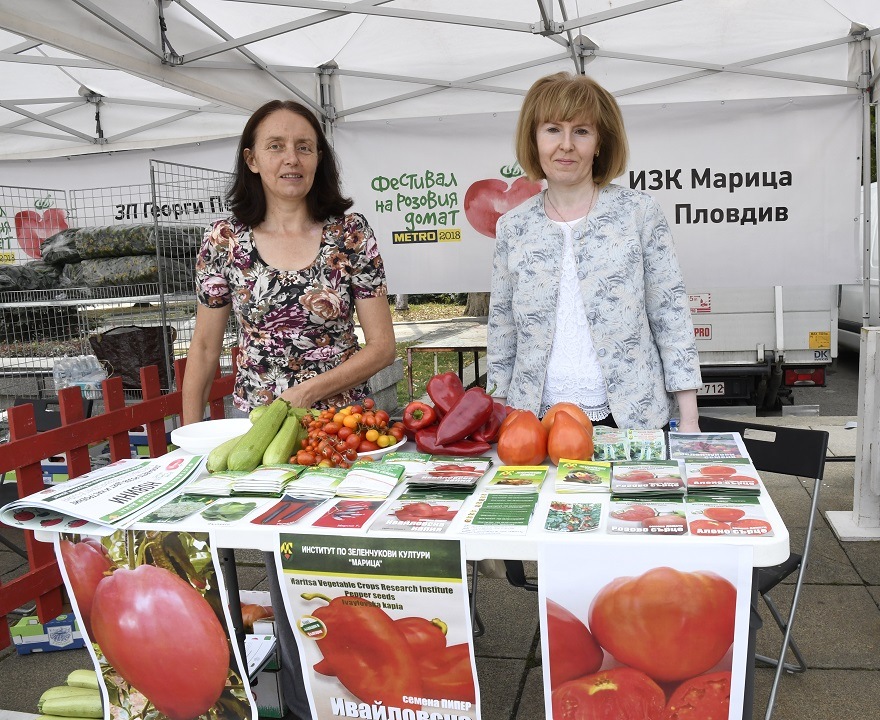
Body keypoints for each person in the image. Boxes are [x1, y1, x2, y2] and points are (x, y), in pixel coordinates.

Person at [181, 99, 396, 720]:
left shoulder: (350, 235)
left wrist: (309, 392)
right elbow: (203, 347)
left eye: (304, 146)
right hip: (261, 443)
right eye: (274, 146)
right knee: (281, 572)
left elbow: (382, 345)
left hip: (343, 435)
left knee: (345, 568)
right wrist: (193, 438)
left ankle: (368, 695)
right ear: (250, 159)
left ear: (320, 158)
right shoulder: (223, 240)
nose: (290, 158)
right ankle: (305, 704)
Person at [487, 72, 702, 432]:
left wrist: (690, 418)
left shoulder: (639, 212)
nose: (566, 144)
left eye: (582, 131)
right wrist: (494, 414)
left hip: (632, 417)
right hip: (534, 419)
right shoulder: (513, 227)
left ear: (600, 143)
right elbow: (502, 329)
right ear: (534, 139)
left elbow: (671, 314)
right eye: (553, 129)